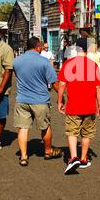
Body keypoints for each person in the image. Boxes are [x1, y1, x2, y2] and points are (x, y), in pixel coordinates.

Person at [13, 37, 63, 166]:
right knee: (45, 127)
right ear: (37, 47)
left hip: (22, 99)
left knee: (23, 128)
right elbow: (54, 82)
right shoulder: (44, 62)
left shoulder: (17, 61)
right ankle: (48, 151)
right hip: (40, 99)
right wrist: (61, 97)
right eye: (40, 46)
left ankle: (23, 157)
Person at [57, 38, 100, 174]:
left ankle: (73, 157)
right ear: (87, 49)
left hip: (73, 105)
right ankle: (83, 158)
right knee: (87, 133)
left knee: (72, 131)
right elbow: (98, 88)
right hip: (89, 106)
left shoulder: (68, 64)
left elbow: (62, 84)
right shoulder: (93, 65)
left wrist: (60, 101)